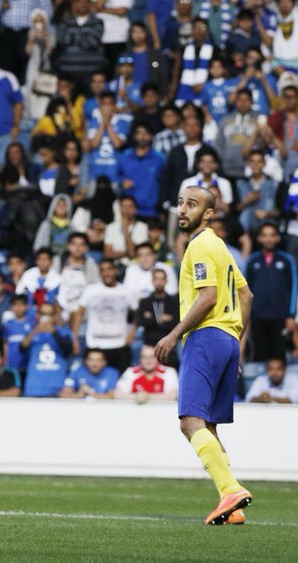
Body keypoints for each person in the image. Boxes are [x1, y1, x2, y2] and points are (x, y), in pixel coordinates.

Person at [154, 186, 254, 525]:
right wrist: (236, 345)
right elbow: (247, 295)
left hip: (205, 337)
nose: (183, 209)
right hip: (226, 340)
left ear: (208, 214)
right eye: (181, 202)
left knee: (190, 421)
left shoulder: (199, 245)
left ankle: (230, 490)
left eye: (192, 205)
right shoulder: (221, 248)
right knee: (208, 426)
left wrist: (174, 333)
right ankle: (233, 506)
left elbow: (208, 296)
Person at [241, 223, 297, 362]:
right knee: (259, 355)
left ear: (278, 238)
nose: (268, 239)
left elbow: (294, 287)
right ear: (259, 238)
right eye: (265, 235)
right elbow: (243, 290)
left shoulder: (286, 260)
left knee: (278, 356)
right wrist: (246, 316)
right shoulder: (251, 261)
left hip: (280, 317)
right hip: (257, 317)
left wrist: (291, 315)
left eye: (272, 235)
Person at [76, 259, 138, 372]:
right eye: (103, 270)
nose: (106, 273)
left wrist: (132, 332)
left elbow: (138, 312)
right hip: (95, 345)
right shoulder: (91, 290)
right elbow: (79, 313)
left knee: (121, 382)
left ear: (115, 271)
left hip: (119, 345)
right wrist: (74, 337)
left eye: (109, 269)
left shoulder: (126, 291)